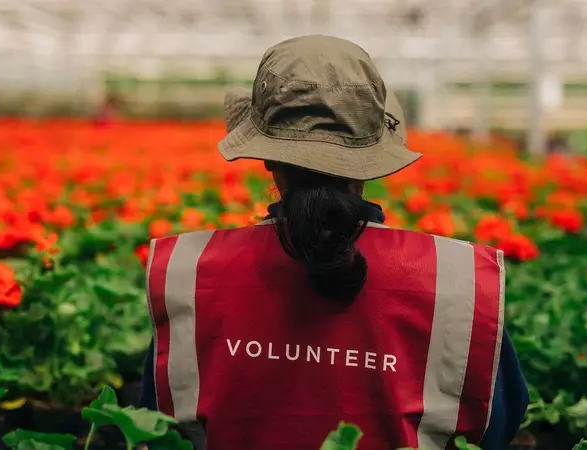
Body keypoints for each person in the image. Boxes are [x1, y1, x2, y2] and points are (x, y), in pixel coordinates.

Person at [139, 35, 528, 450]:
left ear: (266, 157)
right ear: (373, 159)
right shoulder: (462, 284)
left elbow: (157, 423)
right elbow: (495, 427)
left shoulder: (188, 274)